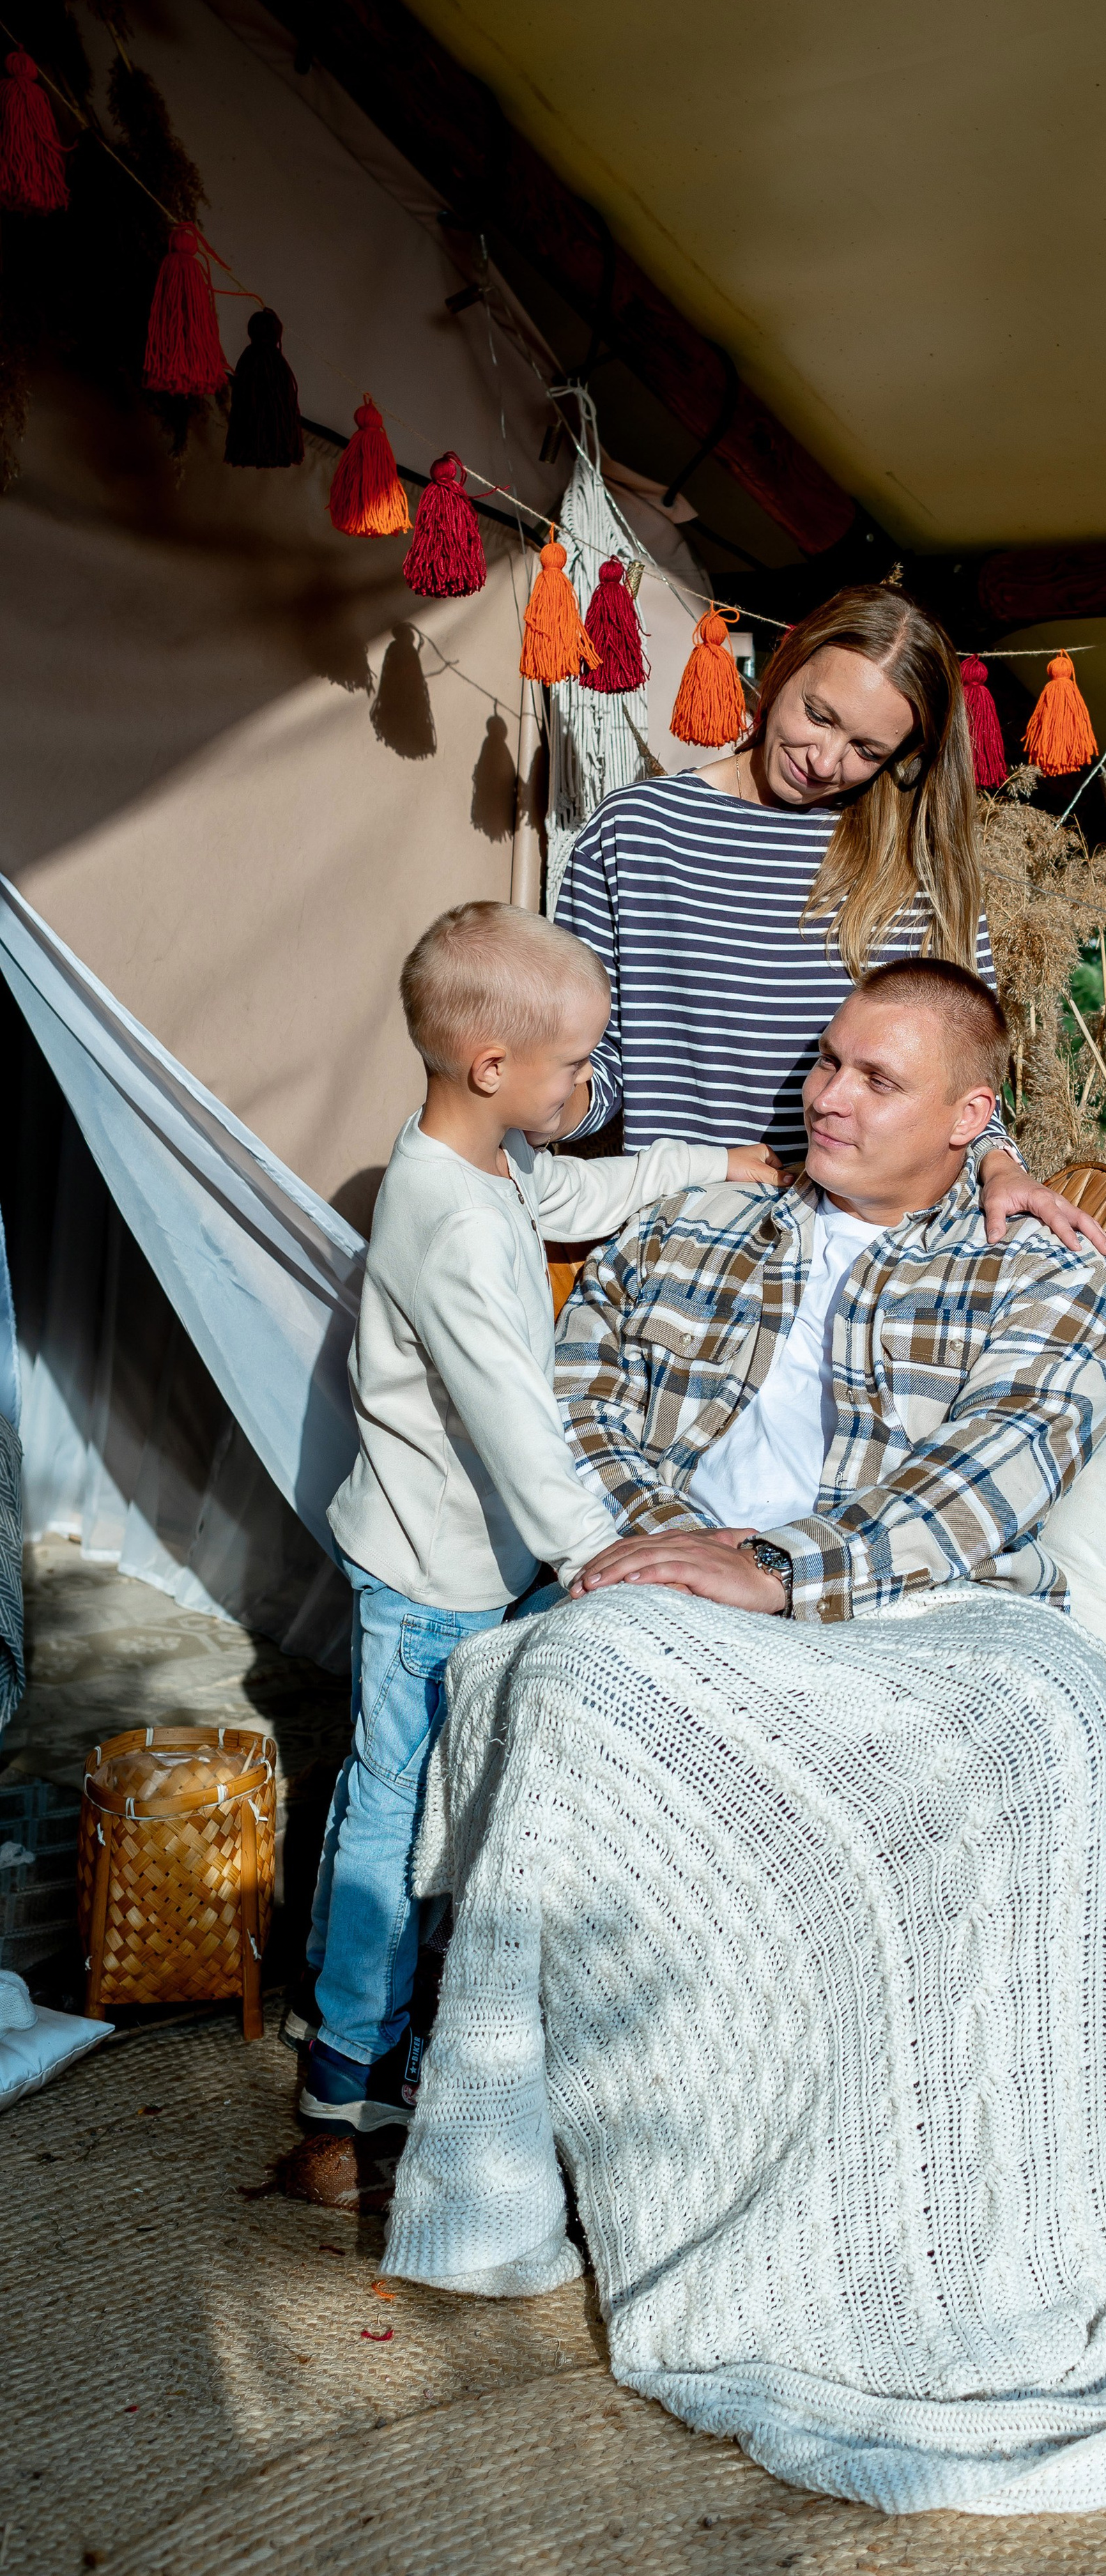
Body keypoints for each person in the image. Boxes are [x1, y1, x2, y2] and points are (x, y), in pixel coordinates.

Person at [296, 901, 775, 2131]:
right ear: (493, 1066)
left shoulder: (474, 1163)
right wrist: (598, 1553)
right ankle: (348, 2061)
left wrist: (708, 1165)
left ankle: (389, 2019)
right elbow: (515, 1421)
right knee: (396, 1803)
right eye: (576, 1062)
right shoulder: (449, 1224)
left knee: (438, 1792)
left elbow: (567, 1193)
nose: (592, 1079)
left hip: (472, 1558)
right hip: (428, 1576)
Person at [556, 957, 1106, 1627]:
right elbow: (573, 1402)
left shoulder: (1044, 1268)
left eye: (878, 1082)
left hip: (917, 1618)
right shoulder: (687, 1224)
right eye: (828, 1063)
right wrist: (677, 1556)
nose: (826, 1098)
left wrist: (780, 1567)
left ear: (969, 1117)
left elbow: (1005, 1457)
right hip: (653, 1589)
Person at [551, 581, 1106, 1260]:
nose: (823, 760)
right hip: (680, 1243)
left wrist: (1001, 1167)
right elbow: (590, 1064)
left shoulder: (916, 865)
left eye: (865, 750)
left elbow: (958, 1071)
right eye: (818, 714)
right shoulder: (635, 833)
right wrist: (536, 1094)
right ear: (787, 663)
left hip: (867, 1252)